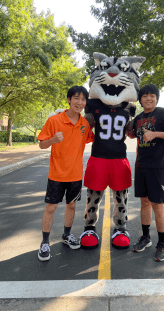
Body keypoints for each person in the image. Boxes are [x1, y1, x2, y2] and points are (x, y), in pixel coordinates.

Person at [127, 84, 164, 262]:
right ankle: (146, 238)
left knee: (157, 205)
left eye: (152, 95)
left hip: (158, 167)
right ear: (140, 99)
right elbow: (131, 134)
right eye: (144, 96)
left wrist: (156, 134)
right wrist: (126, 116)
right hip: (141, 166)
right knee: (144, 203)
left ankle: (162, 243)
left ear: (157, 98)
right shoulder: (138, 118)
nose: (148, 98)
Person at [37, 85, 94, 261]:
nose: (80, 102)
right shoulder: (55, 120)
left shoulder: (84, 123)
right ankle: (45, 242)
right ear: (69, 99)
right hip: (57, 174)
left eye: (83, 99)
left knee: (71, 206)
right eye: (76, 98)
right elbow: (41, 144)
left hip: (75, 175)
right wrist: (53, 140)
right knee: (51, 207)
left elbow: (93, 139)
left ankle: (66, 235)